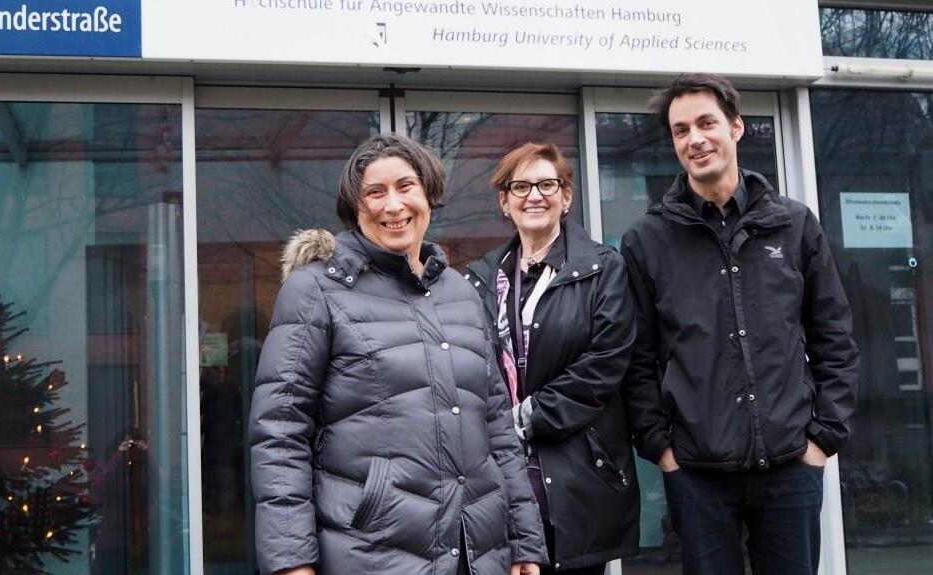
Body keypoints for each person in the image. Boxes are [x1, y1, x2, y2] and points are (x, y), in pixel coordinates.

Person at [249, 133, 547, 575]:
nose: (393, 205)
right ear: (355, 207)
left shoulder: (460, 294)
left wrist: (525, 542)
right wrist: (291, 561)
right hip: (374, 553)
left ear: (428, 193)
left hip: (477, 554)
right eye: (375, 192)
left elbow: (498, 430)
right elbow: (280, 432)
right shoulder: (315, 291)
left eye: (406, 186)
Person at [621, 73, 860, 575]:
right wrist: (661, 448)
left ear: (736, 127)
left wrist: (823, 439)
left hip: (792, 464)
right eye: (681, 129)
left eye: (706, 123)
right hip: (697, 475)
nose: (695, 139)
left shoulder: (794, 225)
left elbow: (834, 337)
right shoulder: (647, 240)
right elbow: (637, 356)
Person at [465, 143, 639, 575]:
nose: (534, 195)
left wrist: (525, 417)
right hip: (501, 479)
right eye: (520, 186)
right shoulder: (481, 278)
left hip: (578, 473)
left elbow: (604, 365)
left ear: (566, 197)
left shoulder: (604, 268)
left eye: (547, 184)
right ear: (504, 202)